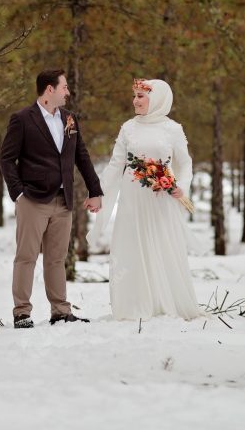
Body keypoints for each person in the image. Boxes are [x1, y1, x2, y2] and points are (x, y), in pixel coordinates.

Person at [87, 79, 207, 320]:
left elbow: (185, 164)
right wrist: (96, 192)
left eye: (141, 96)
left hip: (162, 200)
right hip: (133, 199)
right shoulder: (128, 128)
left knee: (161, 245)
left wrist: (181, 188)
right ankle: (135, 304)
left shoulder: (172, 129)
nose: (135, 101)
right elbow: (114, 165)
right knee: (132, 246)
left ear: (157, 99)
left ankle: (165, 302)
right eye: (135, 96)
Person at [0, 68, 103, 329]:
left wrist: (95, 190)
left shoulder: (69, 119)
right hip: (32, 200)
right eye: (64, 87)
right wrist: (18, 193)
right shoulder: (22, 118)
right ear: (50, 89)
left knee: (57, 259)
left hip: (63, 201)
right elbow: (7, 158)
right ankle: (22, 312)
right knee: (27, 257)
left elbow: (82, 156)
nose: (68, 92)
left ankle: (60, 311)